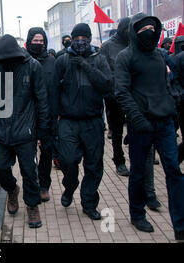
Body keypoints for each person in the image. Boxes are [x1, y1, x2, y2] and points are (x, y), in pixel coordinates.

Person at [115, 13, 184, 241]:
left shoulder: (160, 56)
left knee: (173, 170)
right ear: (135, 32)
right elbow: (121, 91)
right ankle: (137, 213)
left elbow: (169, 84)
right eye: (144, 30)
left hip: (164, 122)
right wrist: (136, 118)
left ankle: (180, 224)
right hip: (140, 125)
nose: (150, 33)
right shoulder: (125, 57)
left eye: (153, 30)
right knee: (138, 172)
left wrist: (172, 109)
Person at [0, 34, 49, 229]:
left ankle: (32, 206)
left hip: (25, 131)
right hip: (0, 131)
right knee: (1, 169)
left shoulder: (33, 66)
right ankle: (12, 190)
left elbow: (42, 101)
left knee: (29, 172)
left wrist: (43, 131)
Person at [52, 23, 112, 221]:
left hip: (93, 121)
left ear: (89, 38)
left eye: (83, 38)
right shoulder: (62, 61)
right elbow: (54, 92)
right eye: (76, 38)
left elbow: (106, 86)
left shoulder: (99, 59)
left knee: (94, 166)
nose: (80, 42)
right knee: (68, 160)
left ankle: (88, 203)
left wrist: (86, 66)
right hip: (68, 121)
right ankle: (70, 186)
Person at [26, 27, 56, 202]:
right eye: (35, 41)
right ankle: (32, 184)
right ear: (29, 41)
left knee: (46, 153)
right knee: (28, 155)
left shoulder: (52, 61)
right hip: (28, 115)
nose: (38, 44)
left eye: (41, 41)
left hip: (47, 115)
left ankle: (44, 185)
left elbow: (56, 89)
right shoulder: (24, 61)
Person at [99, 17, 131, 177]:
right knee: (117, 131)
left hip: (135, 96)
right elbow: (105, 72)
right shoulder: (107, 46)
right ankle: (119, 160)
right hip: (115, 97)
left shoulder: (134, 44)